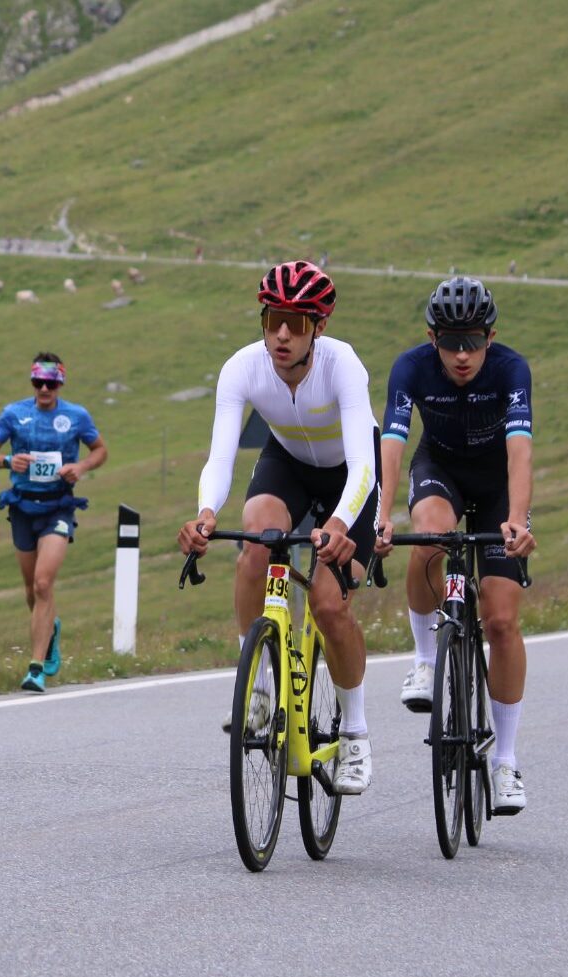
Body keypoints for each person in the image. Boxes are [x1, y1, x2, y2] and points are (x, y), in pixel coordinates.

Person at [176, 261, 381, 794]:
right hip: (287, 462)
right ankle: (259, 687)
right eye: (272, 321)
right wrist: (204, 513)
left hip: (347, 476)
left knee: (328, 604)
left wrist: (338, 522)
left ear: (319, 327)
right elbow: (220, 457)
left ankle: (356, 732)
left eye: (295, 322)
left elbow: (363, 463)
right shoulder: (242, 367)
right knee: (254, 540)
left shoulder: (343, 366)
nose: (281, 335)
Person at [374, 276, 537, 815]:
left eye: (472, 341)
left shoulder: (511, 369)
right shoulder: (411, 368)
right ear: (431, 336)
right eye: (450, 342)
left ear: (491, 336)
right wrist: (381, 515)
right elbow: (393, 444)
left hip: (495, 487)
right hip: (440, 468)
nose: (462, 355)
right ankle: (424, 659)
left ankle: (507, 761)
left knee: (502, 622)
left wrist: (515, 519)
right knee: (431, 536)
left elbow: (520, 450)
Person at [0, 354, 107, 693]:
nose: (45, 389)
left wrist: (80, 468)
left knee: (42, 583)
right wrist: (9, 459)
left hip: (58, 508)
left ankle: (35, 668)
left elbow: (99, 450)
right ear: (32, 382)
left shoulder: (76, 416)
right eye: (39, 382)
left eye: (51, 383)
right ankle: (50, 629)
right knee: (30, 591)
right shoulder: (14, 414)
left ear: (61, 383)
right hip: (23, 507)